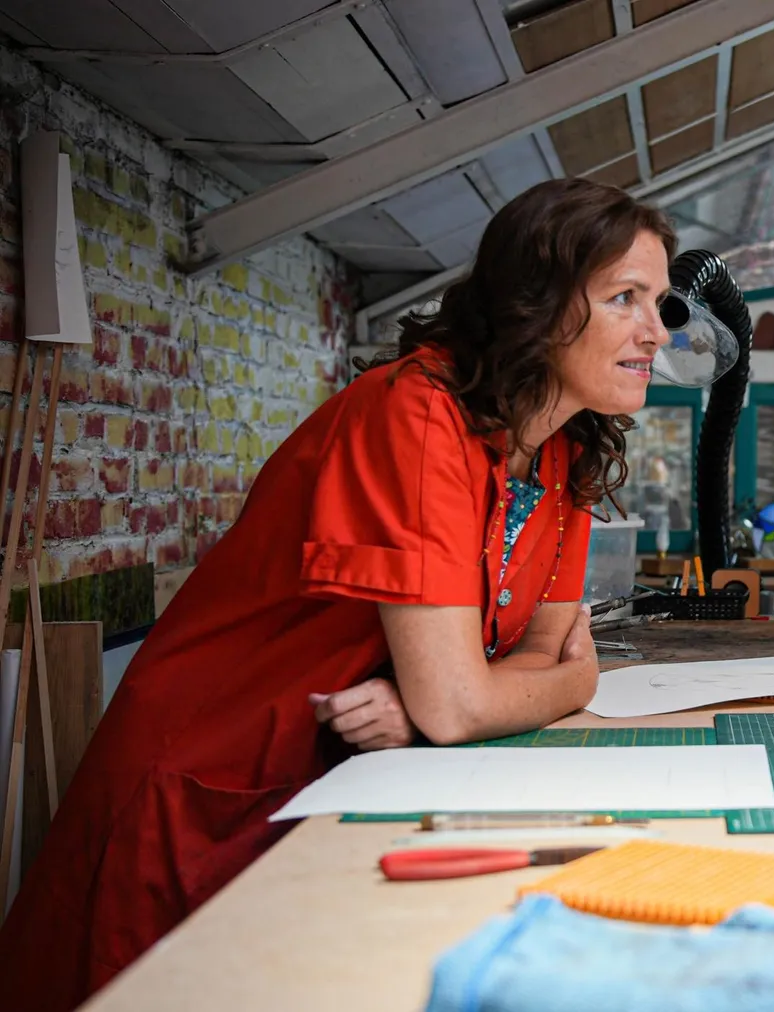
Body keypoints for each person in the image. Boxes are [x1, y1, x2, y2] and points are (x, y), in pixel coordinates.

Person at [0, 179, 675, 1010]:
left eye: (660, 301)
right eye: (625, 298)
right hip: (213, 778)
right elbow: (478, 694)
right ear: (535, 304)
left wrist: (444, 697)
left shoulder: (565, 449)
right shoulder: (417, 413)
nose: (655, 330)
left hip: (337, 774)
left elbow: (514, 659)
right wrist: (567, 683)